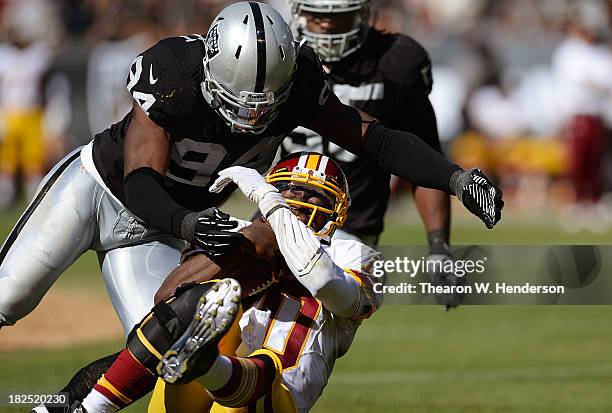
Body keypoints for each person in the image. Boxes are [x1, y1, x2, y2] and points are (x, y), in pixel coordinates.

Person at [53, 152, 383, 413]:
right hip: (193, 389)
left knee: (281, 344)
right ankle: (94, 408)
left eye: (315, 196)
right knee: (201, 302)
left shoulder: (352, 254)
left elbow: (328, 286)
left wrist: (274, 210)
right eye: (290, 190)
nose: (300, 200)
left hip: (275, 393)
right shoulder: (239, 228)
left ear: (336, 211)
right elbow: (167, 297)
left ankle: (204, 363)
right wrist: (241, 247)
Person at [284, 0, 451, 256]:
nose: (328, 25)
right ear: (299, 13)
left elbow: (425, 159)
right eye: (317, 16)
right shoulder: (279, 57)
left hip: (351, 233)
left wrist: (439, 245)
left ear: (362, 14)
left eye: (340, 17)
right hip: (278, 215)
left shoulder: (396, 62)